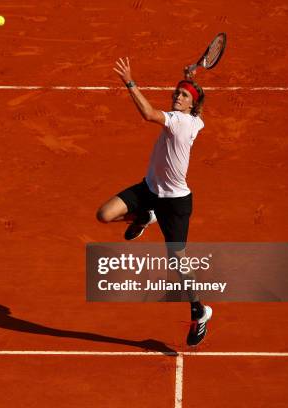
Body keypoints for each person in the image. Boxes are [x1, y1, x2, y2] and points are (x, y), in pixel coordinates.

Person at [96, 57, 212, 346]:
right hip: (150, 189)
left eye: (183, 95)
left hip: (175, 203)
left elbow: (148, 114)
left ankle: (200, 310)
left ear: (189, 105)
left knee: (178, 261)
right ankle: (145, 217)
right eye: (176, 92)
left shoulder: (179, 122)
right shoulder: (197, 120)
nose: (177, 96)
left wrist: (129, 82)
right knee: (104, 214)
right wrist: (190, 79)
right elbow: (198, 103)